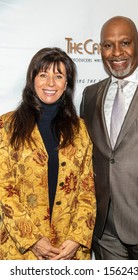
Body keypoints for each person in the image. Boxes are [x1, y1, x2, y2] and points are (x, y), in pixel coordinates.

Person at [80, 16, 138, 260]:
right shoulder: (90, 95)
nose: (116, 52)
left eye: (125, 43)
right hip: (104, 231)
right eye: (108, 45)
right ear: (100, 49)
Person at [0, 47, 96, 260]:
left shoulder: (80, 130)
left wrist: (76, 239)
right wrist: (32, 239)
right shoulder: (6, 126)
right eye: (43, 74)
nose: (50, 83)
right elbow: (4, 190)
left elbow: (87, 190)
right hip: (20, 250)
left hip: (69, 250)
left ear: (67, 83)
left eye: (58, 76)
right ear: (32, 79)